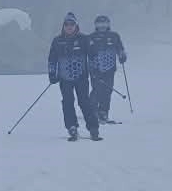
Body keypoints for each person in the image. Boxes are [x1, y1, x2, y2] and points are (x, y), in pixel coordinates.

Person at [48, 12, 99, 141]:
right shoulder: (57, 41)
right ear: (63, 26)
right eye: (66, 24)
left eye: (72, 24)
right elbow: (52, 59)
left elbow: (93, 55)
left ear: (76, 25)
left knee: (84, 102)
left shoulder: (84, 39)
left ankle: (93, 128)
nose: (69, 27)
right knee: (67, 102)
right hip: (64, 79)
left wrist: (95, 70)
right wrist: (52, 73)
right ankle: (72, 127)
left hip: (81, 77)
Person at [87, 14, 127, 125]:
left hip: (110, 69)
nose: (102, 26)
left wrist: (122, 56)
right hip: (95, 69)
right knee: (97, 89)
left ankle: (103, 112)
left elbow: (120, 49)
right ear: (96, 25)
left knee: (107, 90)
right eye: (100, 24)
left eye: (104, 23)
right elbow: (85, 52)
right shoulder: (91, 37)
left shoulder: (114, 36)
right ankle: (92, 111)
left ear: (108, 24)